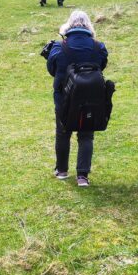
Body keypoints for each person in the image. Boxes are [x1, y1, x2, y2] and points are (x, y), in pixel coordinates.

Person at [45, 11, 108, 187]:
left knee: (63, 133)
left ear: (69, 25)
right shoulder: (98, 47)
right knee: (86, 135)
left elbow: (52, 69)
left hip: (64, 98)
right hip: (91, 97)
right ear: (88, 26)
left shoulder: (59, 47)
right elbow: (102, 64)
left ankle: (62, 170)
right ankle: (82, 176)